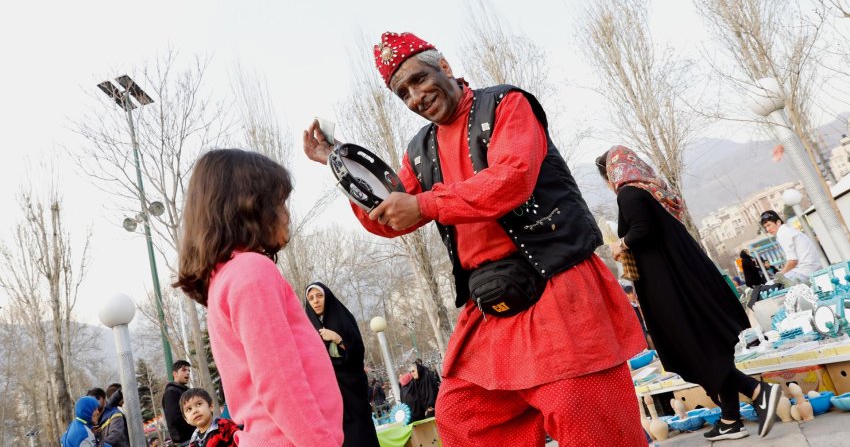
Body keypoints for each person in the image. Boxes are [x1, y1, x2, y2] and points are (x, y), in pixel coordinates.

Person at [303, 31, 647, 446]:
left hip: (555, 287)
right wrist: (337, 162)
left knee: (585, 415)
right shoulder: (420, 148)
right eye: (403, 93)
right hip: (490, 307)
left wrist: (427, 204)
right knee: (464, 419)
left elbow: (512, 179)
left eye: (418, 80)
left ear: (444, 67)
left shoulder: (506, 105)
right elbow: (391, 216)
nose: (414, 97)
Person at [596, 146, 781, 440]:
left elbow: (643, 230)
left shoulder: (629, 194)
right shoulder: (653, 190)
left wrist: (621, 245)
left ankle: (758, 390)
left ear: (613, 173)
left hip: (671, 287)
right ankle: (731, 419)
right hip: (689, 278)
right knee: (708, 346)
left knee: (692, 348)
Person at [173, 149, 343, 446]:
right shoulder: (250, 272)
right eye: (279, 203)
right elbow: (279, 381)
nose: (287, 214)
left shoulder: (227, 277)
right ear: (249, 207)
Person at [304, 282, 380, 447]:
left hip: (353, 394)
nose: (315, 301)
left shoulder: (344, 319)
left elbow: (358, 352)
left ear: (327, 297)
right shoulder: (306, 329)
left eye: (319, 296)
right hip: (327, 401)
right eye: (311, 298)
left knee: (361, 438)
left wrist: (338, 339)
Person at [759, 210, 822, 285]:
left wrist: (780, 275)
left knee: (769, 285)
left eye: (769, 225)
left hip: (804, 272)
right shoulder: (789, 230)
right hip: (813, 269)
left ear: (778, 222)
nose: (767, 229)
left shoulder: (782, 233)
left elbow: (793, 261)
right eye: (765, 227)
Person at [163, 360, 194, 446]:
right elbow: (174, 418)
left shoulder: (185, 391)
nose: (187, 373)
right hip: (185, 440)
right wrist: (195, 424)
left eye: (189, 370)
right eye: (184, 370)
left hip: (193, 437)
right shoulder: (171, 392)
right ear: (175, 374)